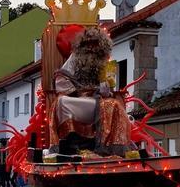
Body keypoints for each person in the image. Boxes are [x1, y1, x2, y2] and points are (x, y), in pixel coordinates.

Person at [50, 26, 131, 155]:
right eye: (88, 44)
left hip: (97, 102)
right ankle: (72, 140)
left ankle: (109, 145)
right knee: (61, 102)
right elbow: (61, 78)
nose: (91, 48)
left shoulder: (106, 62)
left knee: (114, 105)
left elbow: (109, 88)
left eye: (95, 45)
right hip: (77, 101)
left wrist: (106, 90)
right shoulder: (75, 58)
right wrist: (75, 91)